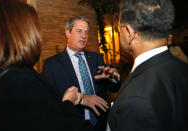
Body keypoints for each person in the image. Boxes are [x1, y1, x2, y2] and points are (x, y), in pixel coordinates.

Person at [0, 0, 87, 130]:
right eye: (79, 31)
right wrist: (69, 103)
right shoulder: (22, 82)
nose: (40, 35)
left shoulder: (3, 76)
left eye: (86, 32)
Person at [108, 0, 188, 131]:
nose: (118, 33)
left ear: (129, 32)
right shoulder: (182, 67)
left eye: (118, 28)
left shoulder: (135, 101)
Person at [43, 16, 120, 131]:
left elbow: (114, 88)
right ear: (68, 33)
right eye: (79, 31)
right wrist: (82, 99)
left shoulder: (97, 58)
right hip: (73, 124)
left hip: (101, 122)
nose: (84, 36)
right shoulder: (52, 65)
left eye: (86, 32)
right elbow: (50, 101)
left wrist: (113, 78)